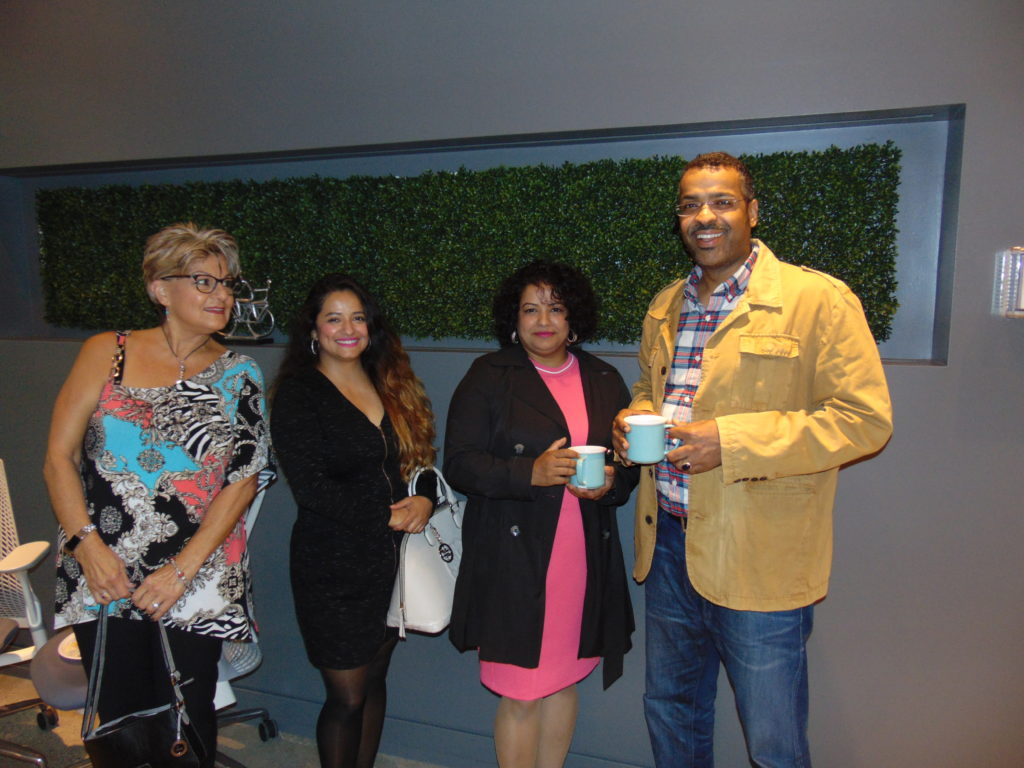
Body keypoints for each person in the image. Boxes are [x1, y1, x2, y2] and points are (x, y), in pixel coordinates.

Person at [612, 152, 893, 767]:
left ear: (752, 211)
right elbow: (649, 391)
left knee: (773, 740)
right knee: (671, 711)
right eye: (690, 205)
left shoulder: (817, 300)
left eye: (722, 202)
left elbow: (864, 419)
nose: (704, 217)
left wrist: (731, 442)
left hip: (759, 552)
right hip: (668, 546)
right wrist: (634, 417)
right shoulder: (666, 304)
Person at [43, 222, 274, 767]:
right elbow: (59, 458)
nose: (222, 295)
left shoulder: (240, 373)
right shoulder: (106, 351)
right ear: (159, 288)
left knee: (183, 724)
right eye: (204, 281)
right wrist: (88, 548)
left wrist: (180, 572)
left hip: (198, 573)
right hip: (102, 566)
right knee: (118, 722)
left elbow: (243, 480)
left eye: (227, 283)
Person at [445, 261, 638, 768]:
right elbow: (460, 464)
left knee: (562, 682)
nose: (544, 320)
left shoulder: (604, 377)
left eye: (555, 308)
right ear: (514, 320)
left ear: (574, 318)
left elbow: (628, 464)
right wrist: (528, 472)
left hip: (583, 558)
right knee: (522, 694)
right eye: (530, 309)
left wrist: (614, 482)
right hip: (515, 561)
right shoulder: (489, 375)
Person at [270, 273, 437, 768]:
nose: (348, 329)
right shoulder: (300, 393)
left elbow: (422, 461)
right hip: (332, 567)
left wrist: (425, 501)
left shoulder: (389, 381)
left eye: (358, 318)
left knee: (375, 680)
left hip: (393, 563)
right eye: (334, 319)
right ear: (313, 330)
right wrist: (386, 516)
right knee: (346, 697)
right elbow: (311, 488)